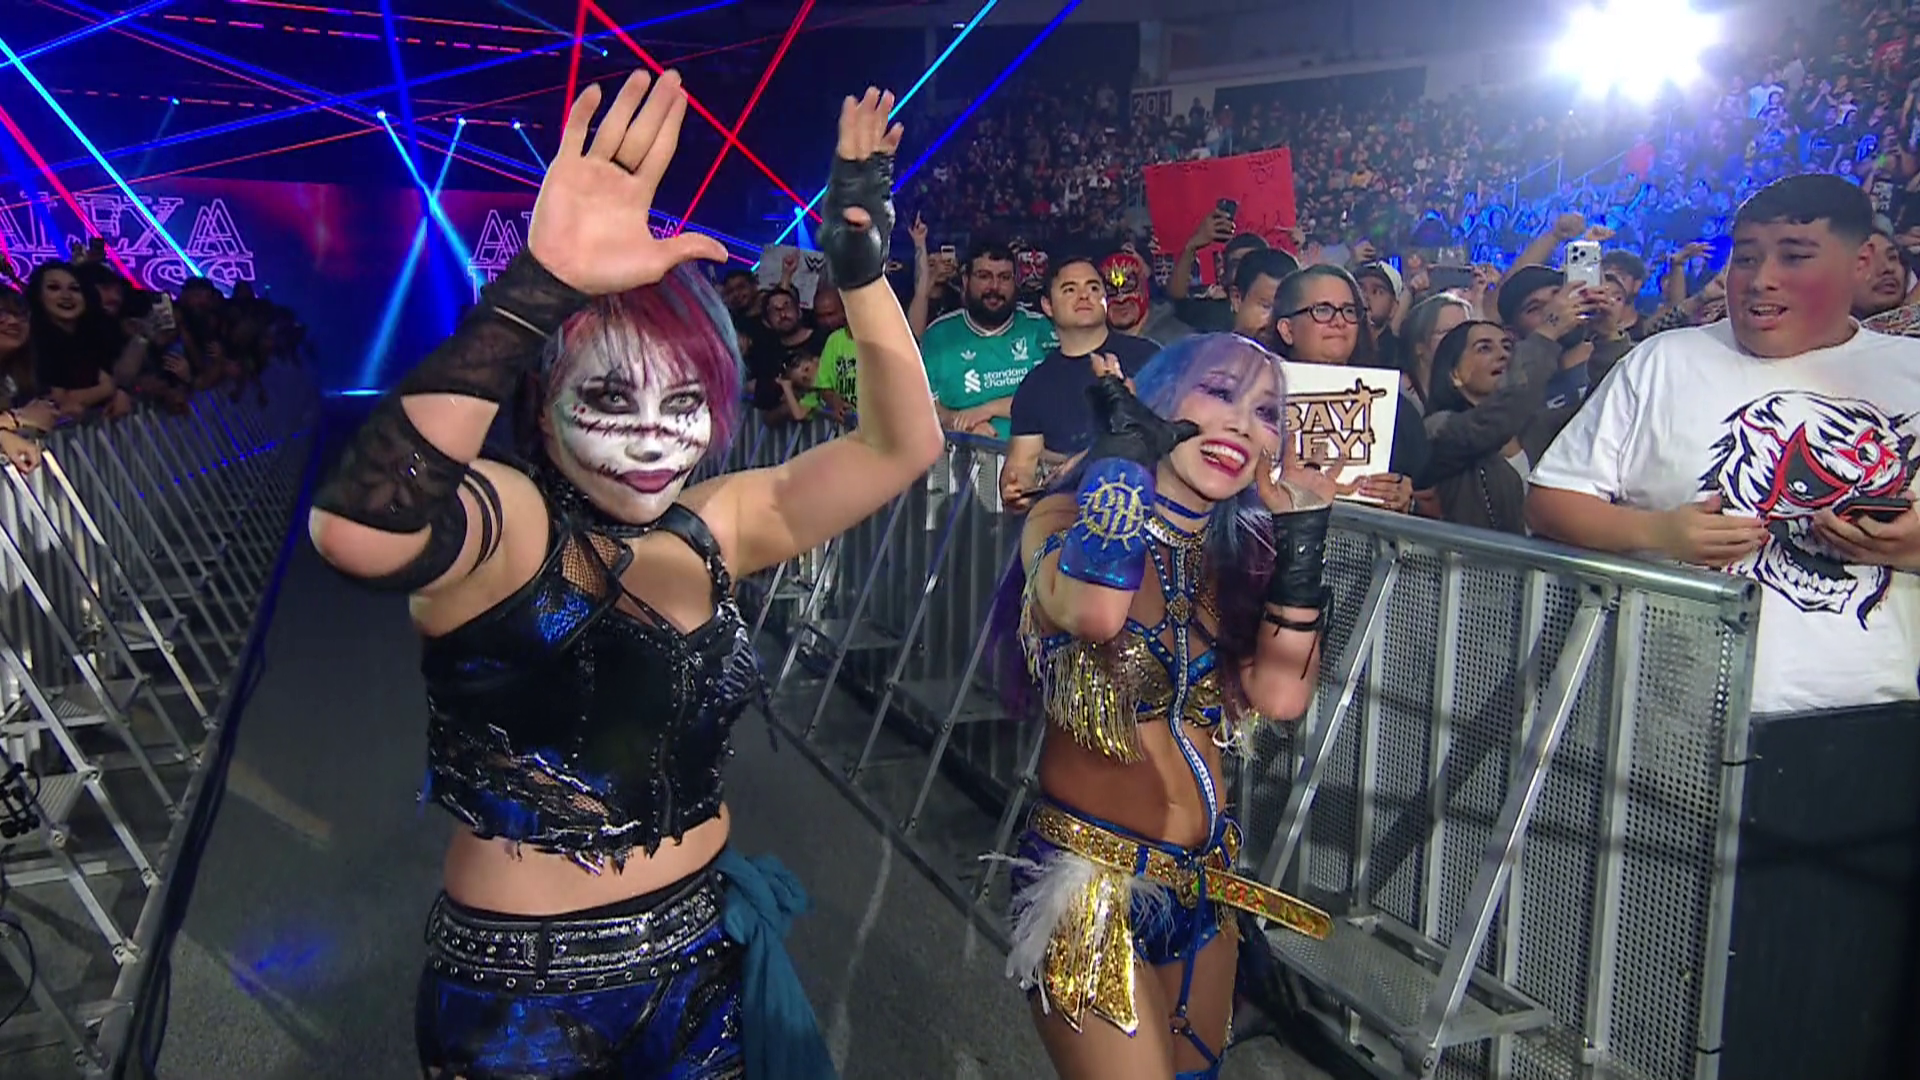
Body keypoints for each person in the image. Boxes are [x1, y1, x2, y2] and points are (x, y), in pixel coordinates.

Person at [309, 72, 942, 1078]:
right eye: (610, 397)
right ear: (542, 400)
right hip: (525, 997)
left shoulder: (714, 525)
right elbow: (360, 530)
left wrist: (860, 271)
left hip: (703, 957)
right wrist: (537, 290)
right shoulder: (514, 523)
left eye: (684, 401)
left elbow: (901, 446)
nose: (654, 436)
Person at [991, 334, 1337, 1080]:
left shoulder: (1236, 557)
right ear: (1157, 397)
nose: (1242, 424)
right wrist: (1123, 461)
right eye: (1220, 393)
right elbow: (1094, 613)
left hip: (1205, 887)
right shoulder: (1065, 517)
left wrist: (1303, 539)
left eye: (1267, 412)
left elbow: (1281, 695)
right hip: (1089, 892)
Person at [1528, 173, 1920, 718]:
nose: (1762, 280)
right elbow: (1549, 501)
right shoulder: (1663, 360)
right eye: (1747, 258)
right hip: (1668, 712)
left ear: (1863, 261)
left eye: (1795, 257)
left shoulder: (1909, 371)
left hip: (1867, 711)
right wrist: (1658, 533)